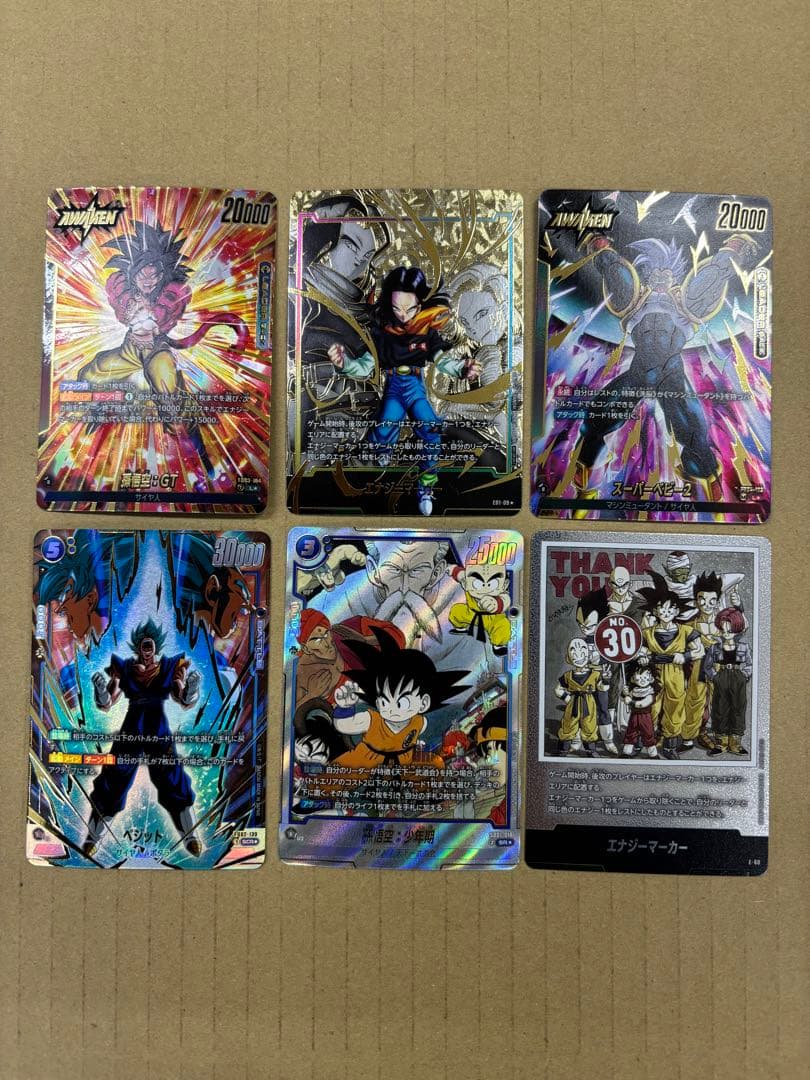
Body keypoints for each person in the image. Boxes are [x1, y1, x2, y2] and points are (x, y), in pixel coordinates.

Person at [329, 266, 480, 515]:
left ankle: (426, 487)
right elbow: (364, 367)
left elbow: (443, 361)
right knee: (384, 428)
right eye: (397, 308)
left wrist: (463, 369)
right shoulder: (381, 333)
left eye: (410, 309)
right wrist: (343, 363)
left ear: (421, 305)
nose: (403, 315)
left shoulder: (427, 332)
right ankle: (380, 454)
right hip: (393, 388)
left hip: (415, 388)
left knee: (431, 429)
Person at [82, 618, 202, 858]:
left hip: (157, 726)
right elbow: (108, 702)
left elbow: (182, 699)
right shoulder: (125, 668)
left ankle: (190, 835)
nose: (147, 650)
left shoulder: (168, 667)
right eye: (143, 645)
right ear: (138, 647)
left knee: (172, 778)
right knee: (114, 777)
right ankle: (93, 837)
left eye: (150, 645)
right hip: (133, 725)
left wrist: (191, 689)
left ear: (155, 647)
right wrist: (101, 691)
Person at [706, 607, 753, 756]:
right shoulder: (714, 647)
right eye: (723, 629)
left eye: (730, 630)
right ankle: (721, 743)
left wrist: (744, 676)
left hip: (738, 678)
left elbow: (750, 664)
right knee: (720, 708)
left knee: (738, 708)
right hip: (721, 677)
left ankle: (735, 743)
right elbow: (707, 666)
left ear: (737, 630)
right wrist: (715, 677)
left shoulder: (744, 647)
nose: (726, 633)